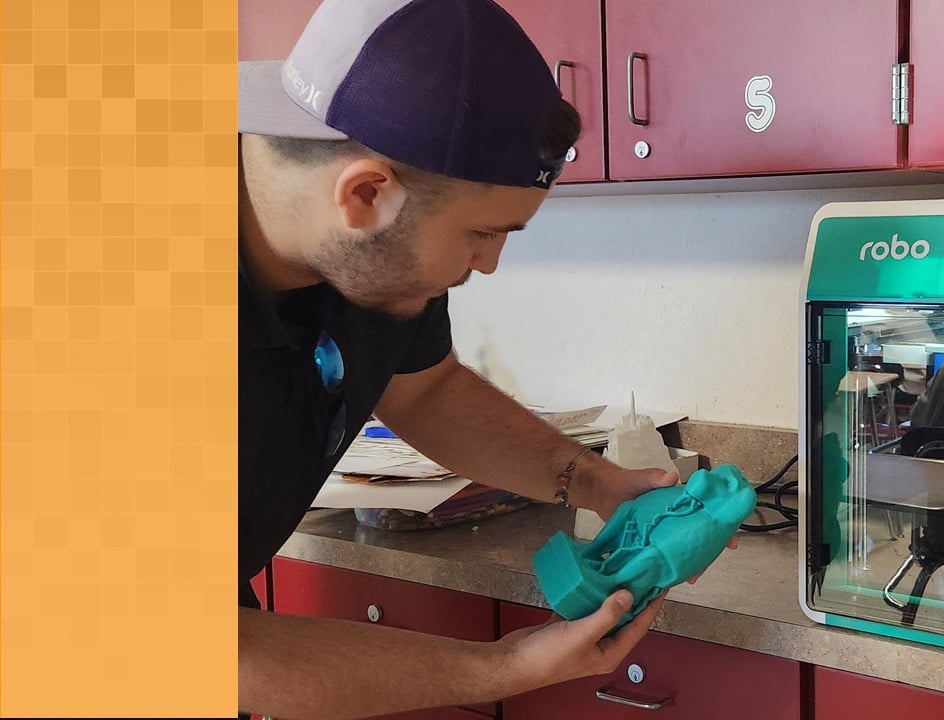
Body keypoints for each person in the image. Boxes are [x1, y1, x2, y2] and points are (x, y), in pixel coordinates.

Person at [237, 1, 704, 717]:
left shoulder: (372, 258)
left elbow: (426, 391)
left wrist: (596, 482)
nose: (488, 265)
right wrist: (503, 668)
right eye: (482, 234)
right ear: (364, 192)